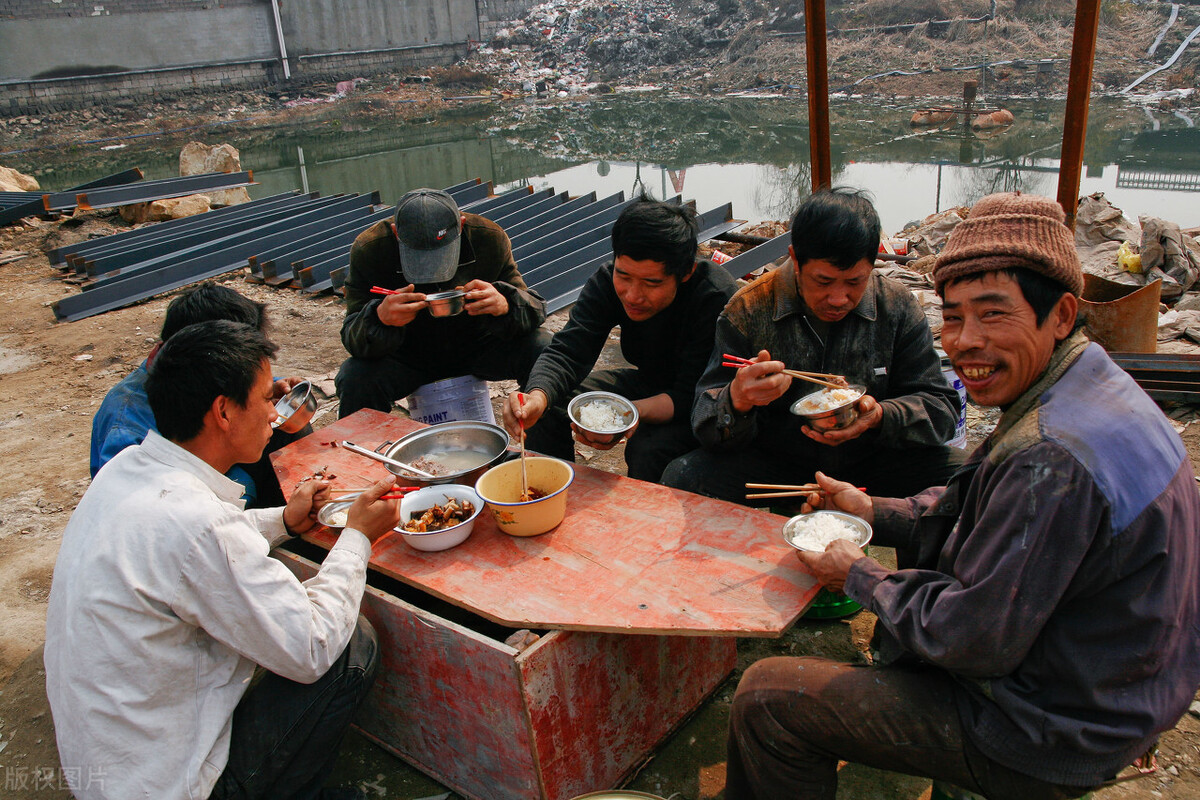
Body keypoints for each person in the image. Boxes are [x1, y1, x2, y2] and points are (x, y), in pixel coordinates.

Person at [725, 192, 1200, 800]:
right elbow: (984, 503)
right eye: (952, 318)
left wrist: (859, 574)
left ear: (1061, 314)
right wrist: (873, 511)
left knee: (768, 698)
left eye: (993, 314)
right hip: (1116, 685)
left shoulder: (1052, 455)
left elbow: (971, 639)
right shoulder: (1092, 382)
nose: (965, 341)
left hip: (1053, 726)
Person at [46, 319, 401, 800]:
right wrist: (358, 536)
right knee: (349, 646)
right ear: (223, 411)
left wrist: (284, 520)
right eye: (265, 399)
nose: (274, 414)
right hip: (175, 788)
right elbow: (311, 647)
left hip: (112, 767)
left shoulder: (129, 470)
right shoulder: (197, 524)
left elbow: (195, 546)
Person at [663, 187, 965, 502]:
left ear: (872, 263)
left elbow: (941, 409)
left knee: (970, 477)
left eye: (855, 282)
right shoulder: (749, 309)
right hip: (778, 465)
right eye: (823, 281)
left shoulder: (897, 306)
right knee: (684, 476)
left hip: (873, 461)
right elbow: (704, 420)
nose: (838, 299)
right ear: (795, 258)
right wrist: (737, 399)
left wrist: (880, 416)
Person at [502, 198, 738, 482]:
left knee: (649, 449)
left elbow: (692, 395)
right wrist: (536, 397)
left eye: (652, 283)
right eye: (623, 275)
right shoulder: (606, 281)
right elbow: (569, 350)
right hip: (648, 382)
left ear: (685, 273)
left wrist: (626, 413)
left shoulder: (714, 297)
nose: (632, 295)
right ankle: (555, 488)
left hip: (703, 402)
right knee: (549, 403)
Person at [336, 187, 551, 418]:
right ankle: (363, 443)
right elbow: (352, 335)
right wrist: (380, 318)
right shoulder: (370, 249)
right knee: (355, 376)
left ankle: (545, 440)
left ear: (461, 224)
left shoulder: (488, 238)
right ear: (396, 232)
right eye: (419, 258)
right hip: (408, 354)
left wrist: (505, 304)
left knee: (544, 348)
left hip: (478, 346)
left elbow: (535, 309)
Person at [89, 281, 307, 507]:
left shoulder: (190, 374)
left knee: (282, 426)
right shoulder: (126, 428)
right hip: (184, 499)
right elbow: (144, 505)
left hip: (209, 474)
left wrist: (269, 392)